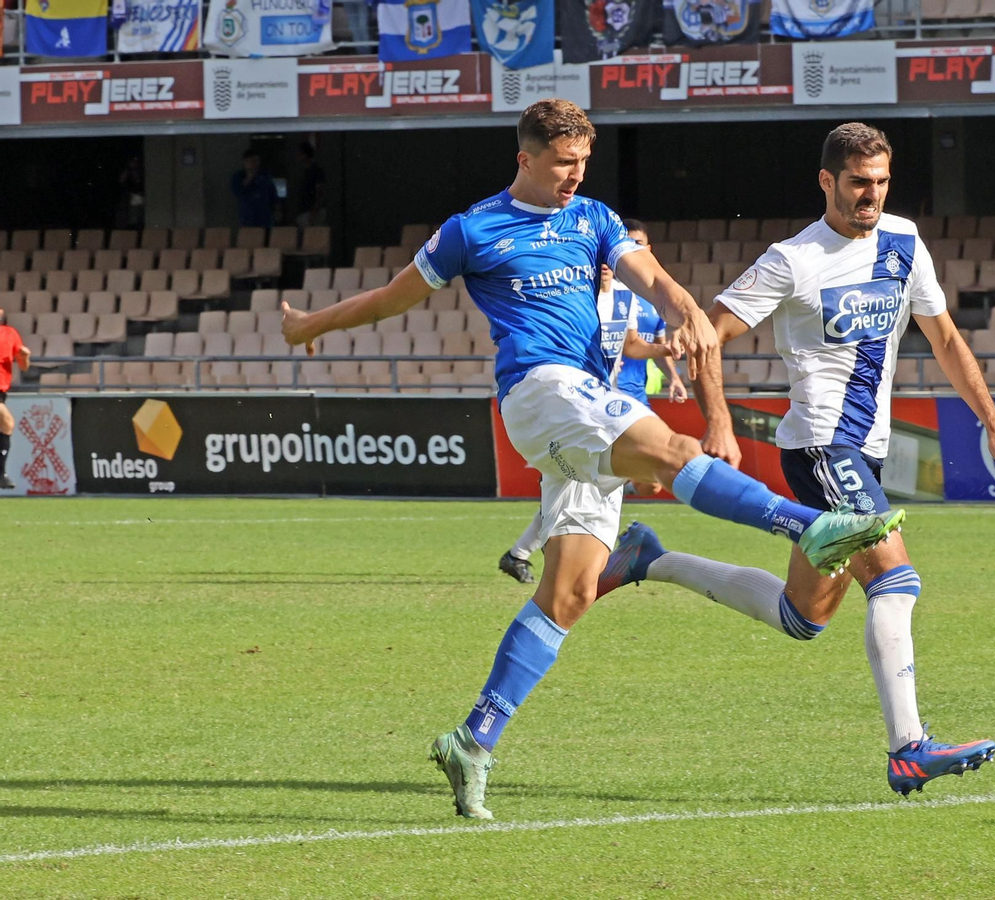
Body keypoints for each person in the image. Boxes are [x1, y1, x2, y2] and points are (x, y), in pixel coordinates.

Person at [280, 99, 903, 820]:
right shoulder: (472, 229)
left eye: (583, 163)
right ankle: (806, 526)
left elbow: (654, 279)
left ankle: (472, 739)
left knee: (572, 591)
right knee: (674, 450)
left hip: (587, 412)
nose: (574, 176)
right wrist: (309, 327)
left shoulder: (595, 219)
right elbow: (394, 299)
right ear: (526, 158)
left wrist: (685, 311)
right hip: (541, 393)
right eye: (562, 163)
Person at [591, 123, 995, 797]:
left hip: (866, 451)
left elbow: (943, 337)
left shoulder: (905, 242)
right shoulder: (791, 260)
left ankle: (652, 559)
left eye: (881, 182)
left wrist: (992, 423)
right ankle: (908, 747)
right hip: (822, 446)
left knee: (804, 616)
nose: (871, 195)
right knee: (896, 578)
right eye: (858, 183)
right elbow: (709, 334)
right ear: (827, 181)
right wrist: (719, 419)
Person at [497, 218, 688, 584]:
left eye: (640, 243)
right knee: (587, 479)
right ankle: (565, 559)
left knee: (623, 481)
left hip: (620, 398)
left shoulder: (630, 296)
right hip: (582, 403)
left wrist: (669, 358)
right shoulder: (574, 294)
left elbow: (630, 344)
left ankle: (530, 554)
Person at [0, 309, 32, 490]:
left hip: (2, 390)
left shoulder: (10, 333)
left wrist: (25, 356)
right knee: (7, 423)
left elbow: (24, 366)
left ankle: (1, 474)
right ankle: (1, 474)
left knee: (6, 425)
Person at [231, 149, 278, 229]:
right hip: (248, 218)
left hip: (265, 218)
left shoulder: (265, 176)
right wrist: (250, 176)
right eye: (252, 161)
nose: (255, 164)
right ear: (245, 162)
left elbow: (273, 194)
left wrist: (277, 210)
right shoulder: (238, 176)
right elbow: (237, 191)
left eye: (257, 161)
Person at [295, 142, 328, 229]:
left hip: (312, 213)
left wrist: (314, 212)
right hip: (304, 212)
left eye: (299, 153)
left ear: (305, 155)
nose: (297, 156)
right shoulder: (304, 172)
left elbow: (320, 193)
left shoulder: (316, 171)